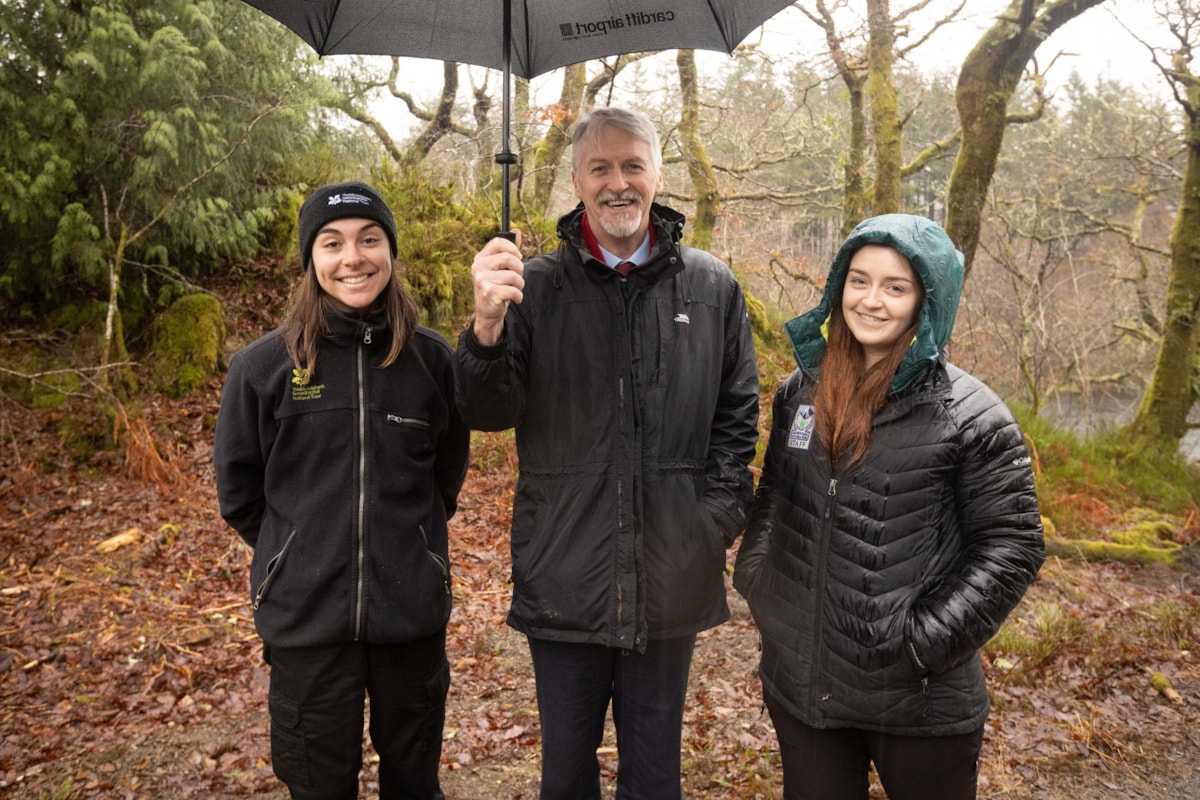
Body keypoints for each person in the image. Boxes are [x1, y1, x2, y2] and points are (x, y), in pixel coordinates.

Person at [455, 107, 760, 799]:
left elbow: (737, 424)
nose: (617, 183)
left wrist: (705, 526)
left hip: (670, 575)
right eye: (601, 168)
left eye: (632, 166)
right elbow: (485, 412)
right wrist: (486, 323)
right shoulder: (532, 288)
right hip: (566, 574)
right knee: (566, 776)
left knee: (655, 775)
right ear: (576, 180)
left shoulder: (712, 288)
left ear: (656, 174)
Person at [733, 213, 1044, 800]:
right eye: (858, 280)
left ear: (927, 301)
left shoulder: (970, 415)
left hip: (919, 700)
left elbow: (1014, 544)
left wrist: (922, 643)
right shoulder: (801, 391)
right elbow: (776, 494)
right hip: (804, 687)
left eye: (895, 287)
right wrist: (761, 583)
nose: (870, 301)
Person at [214, 181, 469, 800]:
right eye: (332, 243)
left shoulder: (433, 361)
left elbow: (446, 477)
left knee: (414, 783)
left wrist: (411, 549)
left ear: (390, 252)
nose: (352, 257)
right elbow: (240, 491)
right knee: (319, 787)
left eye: (369, 239)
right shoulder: (263, 368)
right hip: (306, 623)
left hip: (409, 618)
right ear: (311, 260)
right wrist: (294, 550)